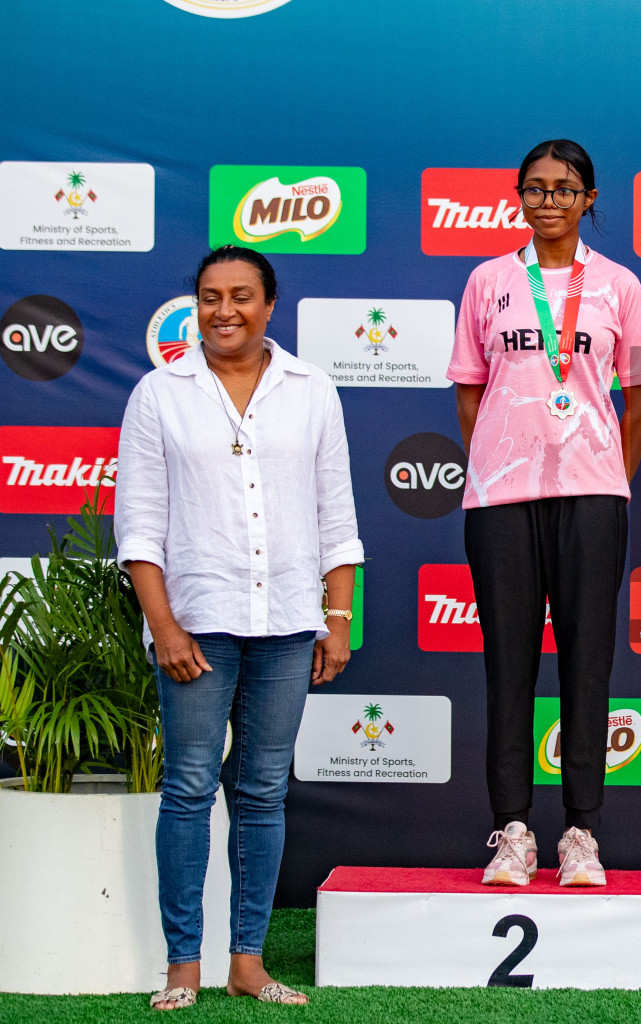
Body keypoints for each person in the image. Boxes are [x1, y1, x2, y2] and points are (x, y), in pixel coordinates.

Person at [116, 246, 363, 1009]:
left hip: (290, 620)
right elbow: (140, 527)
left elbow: (338, 518)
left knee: (261, 790)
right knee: (189, 787)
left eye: (242, 296)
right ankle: (182, 964)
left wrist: (338, 618)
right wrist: (163, 624)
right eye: (210, 297)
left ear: (270, 304)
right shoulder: (160, 393)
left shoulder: (312, 389)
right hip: (197, 622)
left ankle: (247, 962)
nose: (224, 311)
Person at [450, 139, 641, 888]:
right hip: (501, 500)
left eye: (564, 189)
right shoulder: (487, 281)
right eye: (535, 189)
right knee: (509, 668)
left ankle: (580, 834)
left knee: (586, 667)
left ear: (589, 199)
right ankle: (512, 833)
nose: (549, 201)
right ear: (519, 196)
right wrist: (497, 461)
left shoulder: (619, 285)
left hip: (592, 498)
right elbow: (471, 389)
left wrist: (609, 476)